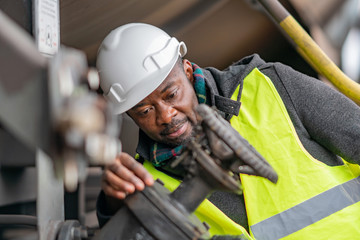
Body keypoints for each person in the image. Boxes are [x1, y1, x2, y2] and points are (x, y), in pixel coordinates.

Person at [95, 23, 360, 239]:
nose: (166, 115)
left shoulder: (270, 86)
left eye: (171, 95)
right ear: (128, 114)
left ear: (187, 71)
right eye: (144, 111)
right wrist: (112, 204)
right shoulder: (145, 181)